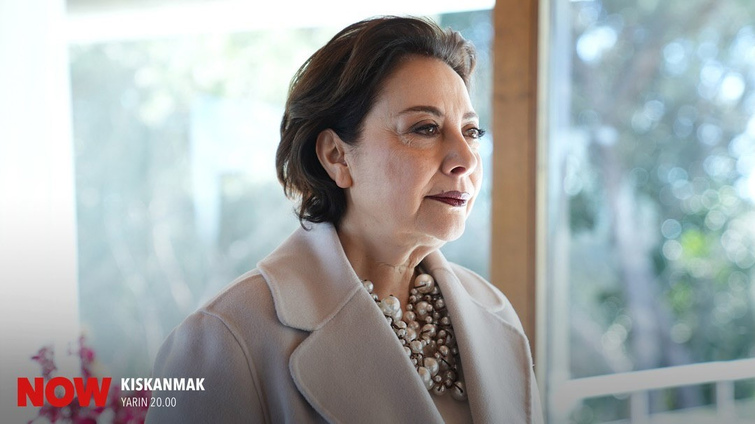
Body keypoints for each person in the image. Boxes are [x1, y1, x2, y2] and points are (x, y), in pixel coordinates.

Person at [146, 16, 543, 424]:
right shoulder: (221, 342)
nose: (465, 160)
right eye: (425, 128)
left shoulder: (496, 315)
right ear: (336, 156)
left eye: (471, 131)